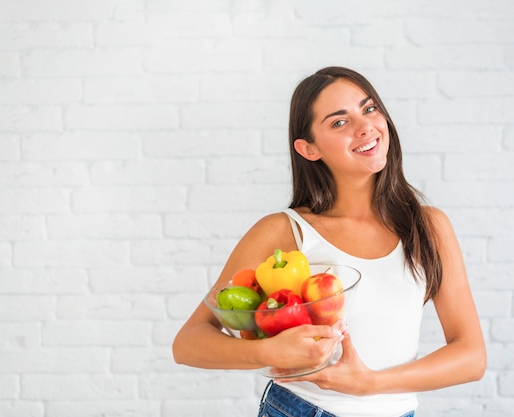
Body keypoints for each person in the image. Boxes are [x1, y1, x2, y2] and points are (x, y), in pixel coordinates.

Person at [172, 66, 486, 417]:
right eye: (339, 122)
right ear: (309, 149)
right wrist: (267, 353)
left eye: (368, 109)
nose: (365, 126)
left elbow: (471, 357)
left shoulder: (428, 227)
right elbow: (188, 343)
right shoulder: (286, 231)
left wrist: (369, 383)